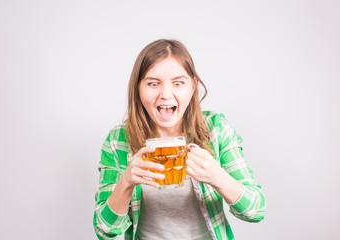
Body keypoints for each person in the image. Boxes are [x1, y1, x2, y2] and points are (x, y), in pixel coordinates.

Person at [93, 39, 266, 240]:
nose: (166, 94)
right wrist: (126, 183)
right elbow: (104, 231)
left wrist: (216, 176)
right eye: (153, 83)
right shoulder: (118, 140)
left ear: (192, 87)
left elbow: (256, 211)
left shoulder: (215, 129)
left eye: (178, 83)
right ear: (138, 89)